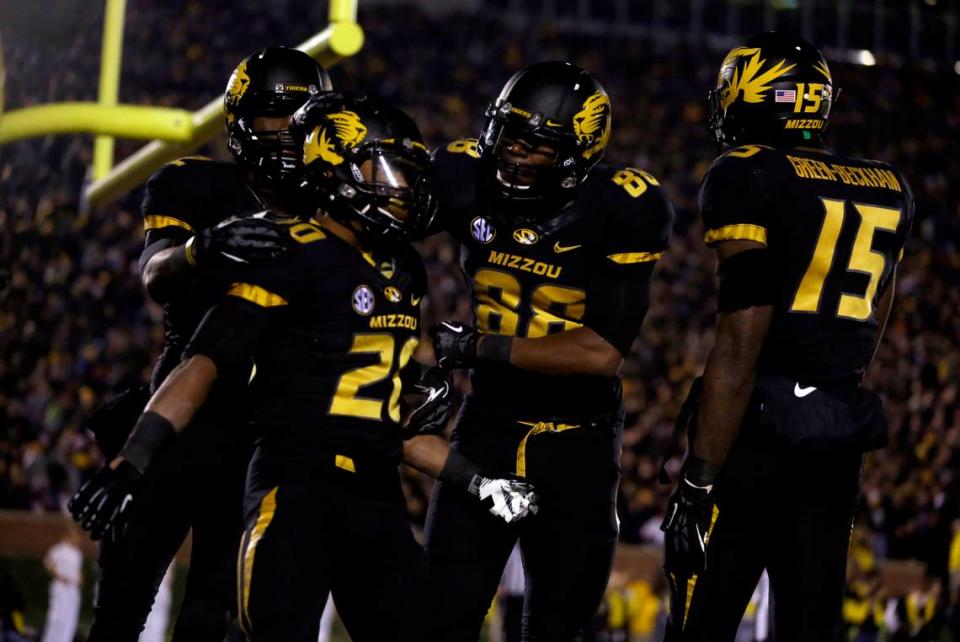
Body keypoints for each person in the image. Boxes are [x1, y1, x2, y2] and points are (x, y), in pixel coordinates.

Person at [70, 93, 535, 642]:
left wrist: (480, 483)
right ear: (334, 165)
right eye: (386, 168)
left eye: (409, 173)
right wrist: (133, 460)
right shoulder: (286, 248)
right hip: (297, 492)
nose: (404, 188)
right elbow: (203, 364)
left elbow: (385, 426)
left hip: (375, 499)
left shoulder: (402, 268)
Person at [70, 46, 332, 641]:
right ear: (242, 121)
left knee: (212, 616)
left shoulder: (334, 204)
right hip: (184, 414)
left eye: (304, 120)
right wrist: (201, 250)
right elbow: (155, 274)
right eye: (277, 119)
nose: (291, 134)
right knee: (120, 606)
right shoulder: (193, 183)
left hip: (265, 431)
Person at [660, 32, 915, 641]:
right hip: (833, 432)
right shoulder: (887, 183)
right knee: (808, 626)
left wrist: (698, 481)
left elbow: (739, 345)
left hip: (753, 436)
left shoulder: (747, 173)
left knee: (700, 621)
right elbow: (875, 317)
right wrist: (824, 384)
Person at [421, 61, 675, 640]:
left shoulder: (621, 205)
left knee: (557, 627)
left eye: (535, 146)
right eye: (508, 135)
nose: (512, 154)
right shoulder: (464, 173)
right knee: (438, 615)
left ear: (578, 152)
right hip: (486, 426)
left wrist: (477, 346)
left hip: (577, 443)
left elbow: (599, 353)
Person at [40, 525, 83, 642]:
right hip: (61, 588)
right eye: (75, 536)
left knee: (70, 618)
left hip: (73, 589)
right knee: (57, 617)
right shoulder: (59, 549)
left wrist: (79, 579)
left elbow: (77, 571)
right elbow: (48, 563)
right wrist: (59, 576)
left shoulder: (77, 553)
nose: (77, 539)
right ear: (68, 536)